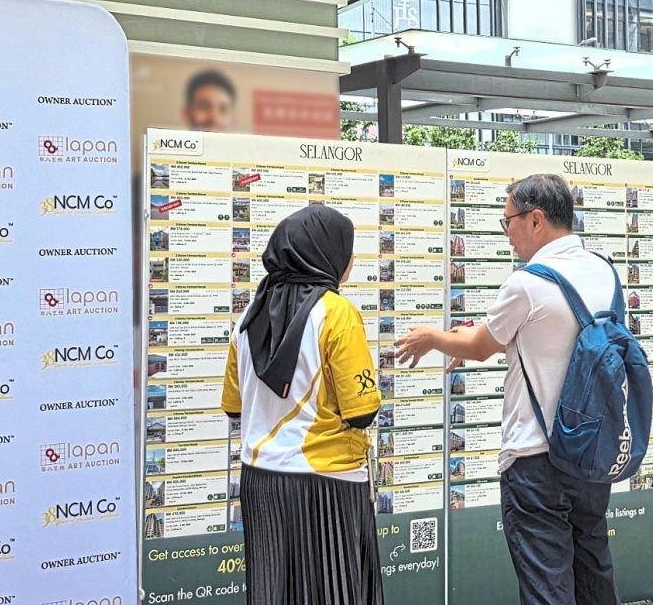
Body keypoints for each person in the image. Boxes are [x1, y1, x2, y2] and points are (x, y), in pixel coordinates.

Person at [395, 174, 621, 605]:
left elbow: (482, 346)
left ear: (536, 220)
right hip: (591, 454)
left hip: (537, 458)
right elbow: (546, 336)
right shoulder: (604, 271)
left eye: (508, 221)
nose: (507, 233)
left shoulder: (529, 281)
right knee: (593, 571)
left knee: (546, 584)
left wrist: (432, 337)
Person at [222, 205, 383, 605]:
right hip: (325, 480)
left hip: (260, 479)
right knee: (334, 591)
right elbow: (362, 411)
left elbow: (233, 407)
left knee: (273, 592)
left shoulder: (249, 317)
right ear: (327, 253)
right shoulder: (337, 313)